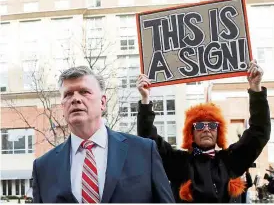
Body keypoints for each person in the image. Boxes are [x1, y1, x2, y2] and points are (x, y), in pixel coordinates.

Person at [32, 66, 175, 203]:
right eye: (68, 94)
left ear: (102, 102)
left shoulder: (144, 151)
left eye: (84, 92)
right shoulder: (43, 167)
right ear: (62, 106)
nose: (75, 99)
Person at [136, 60, 271, 203]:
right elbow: (148, 141)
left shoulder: (230, 160)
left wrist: (256, 88)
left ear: (218, 132)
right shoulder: (178, 162)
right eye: (199, 125)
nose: (206, 129)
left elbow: (259, 132)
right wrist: (145, 99)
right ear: (191, 133)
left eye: (212, 125)